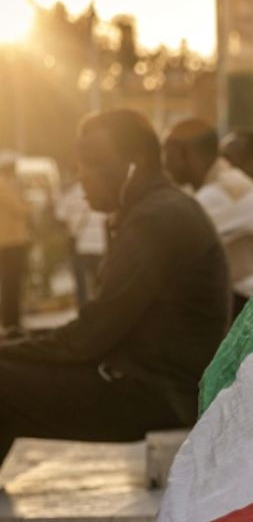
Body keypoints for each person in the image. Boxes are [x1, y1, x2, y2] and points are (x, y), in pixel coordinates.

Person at [0, 110, 230, 464]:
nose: (82, 176)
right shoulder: (156, 208)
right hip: (156, 383)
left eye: (94, 163)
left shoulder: (154, 218)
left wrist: (10, 346)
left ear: (136, 163)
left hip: (159, 393)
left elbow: (88, 339)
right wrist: (14, 343)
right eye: (79, 164)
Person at [163, 118, 253, 315]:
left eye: (167, 155)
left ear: (186, 154)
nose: (164, 164)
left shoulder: (223, 192)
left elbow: (164, 244)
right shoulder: (222, 183)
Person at [56, 175, 107, 306]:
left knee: (81, 281)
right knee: (99, 278)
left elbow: (59, 215)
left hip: (80, 243)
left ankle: (83, 307)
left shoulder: (69, 195)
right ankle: (102, 305)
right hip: (99, 243)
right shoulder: (98, 193)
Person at [0, 160, 30, 338]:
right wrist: (28, 205)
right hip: (11, 241)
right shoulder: (4, 184)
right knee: (11, 283)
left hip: (12, 240)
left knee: (12, 283)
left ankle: (12, 321)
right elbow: (20, 208)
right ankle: (11, 322)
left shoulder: (7, 184)